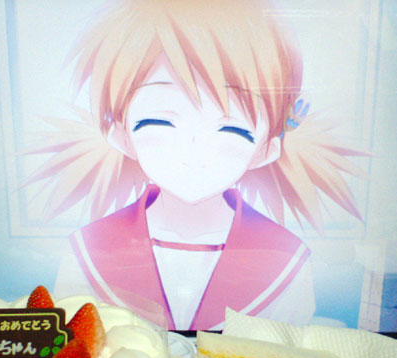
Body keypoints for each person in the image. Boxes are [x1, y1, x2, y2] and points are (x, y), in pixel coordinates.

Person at [27, 0, 364, 330]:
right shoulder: (86, 252)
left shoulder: (288, 261)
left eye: (232, 129)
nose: (193, 150)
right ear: (118, 133)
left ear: (267, 149)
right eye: (159, 122)